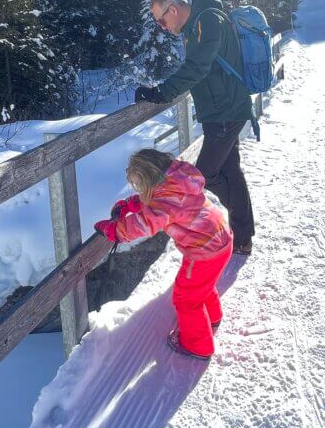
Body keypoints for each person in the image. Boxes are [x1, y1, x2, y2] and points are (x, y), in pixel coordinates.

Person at [134, 0, 257, 256]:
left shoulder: (208, 20)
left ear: (173, 9)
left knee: (202, 176)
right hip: (221, 112)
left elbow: (197, 68)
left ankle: (218, 238)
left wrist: (161, 92)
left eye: (161, 20)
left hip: (226, 111)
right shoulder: (197, 26)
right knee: (230, 172)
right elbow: (203, 69)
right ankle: (242, 236)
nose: (162, 27)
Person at [94, 148, 233, 360]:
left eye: (140, 185)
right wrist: (135, 203)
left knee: (186, 297)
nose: (140, 189)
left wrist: (115, 230)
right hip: (220, 238)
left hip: (204, 250)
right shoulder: (178, 180)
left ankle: (198, 346)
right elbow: (164, 199)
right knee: (201, 285)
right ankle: (212, 318)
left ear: (150, 180)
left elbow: (143, 224)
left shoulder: (164, 202)